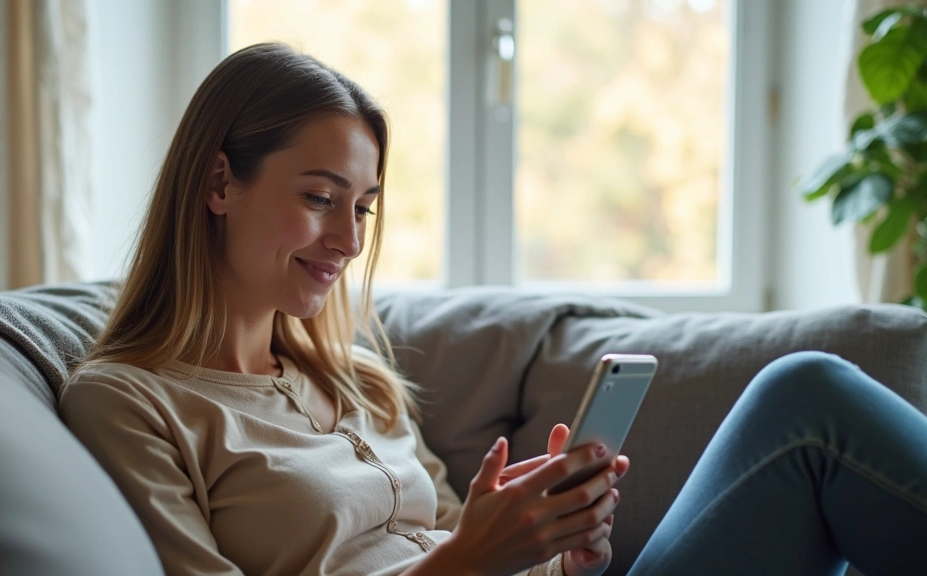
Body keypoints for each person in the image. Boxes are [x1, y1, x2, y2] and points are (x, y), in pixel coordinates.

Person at [59, 43, 927, 576]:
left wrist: (561, 551)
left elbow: (460, 546)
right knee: (811, 410)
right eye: (321, 197)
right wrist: (471, 561)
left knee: (805, 396)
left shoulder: (357, 378)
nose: (348, 240)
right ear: (218, 182)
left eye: (361, 208)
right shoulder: (133, 401)